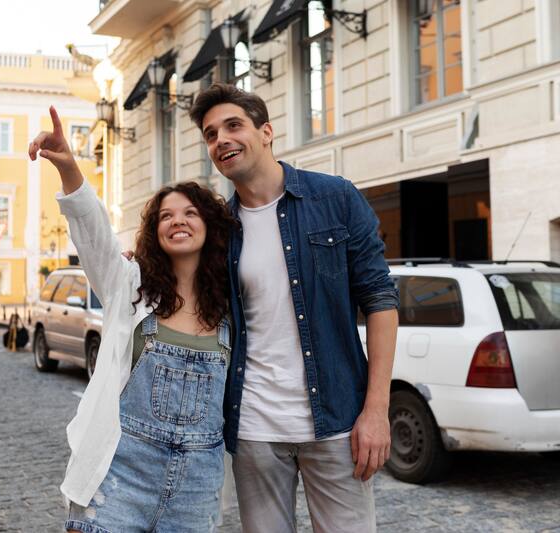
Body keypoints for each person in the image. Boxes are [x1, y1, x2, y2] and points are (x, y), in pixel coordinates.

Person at [188, 83, 399, 532]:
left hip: (338, 420)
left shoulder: (336, 198)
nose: (220, 139)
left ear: (266, 132)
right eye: (210, 134)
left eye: (232, 125)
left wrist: (376, 410)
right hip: (254, 428)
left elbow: (380, 300)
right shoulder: (219, 230)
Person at [29, 106, 236, 532]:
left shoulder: (232, 305)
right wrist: (69, 168)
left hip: (197, 487)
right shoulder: (130, 286)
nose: (177, 220)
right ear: (155, 232)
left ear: (210, 228)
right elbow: (94, 237)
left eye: (190, 213)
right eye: (166, 215)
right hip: (119, 479)